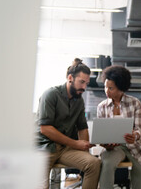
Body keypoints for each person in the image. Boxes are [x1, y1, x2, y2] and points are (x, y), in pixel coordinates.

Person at [36, 58, 101, 189]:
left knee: (93, 163)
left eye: (86, 83)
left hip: (66, 149)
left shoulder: (79, 101)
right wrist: (76, 143)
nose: (84, 87)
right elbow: (45, 129)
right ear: (70, 78)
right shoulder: (50, 95)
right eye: (81, 82)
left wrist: (85, 149)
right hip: (44, 148)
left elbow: (82, 128)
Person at [97, 65, 141, 189]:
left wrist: (135, 135)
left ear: (121, 88)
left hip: (133, 145)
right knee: (107, 164)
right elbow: (102, 132)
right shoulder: (101, 106)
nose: (106, 91)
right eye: (105, 86)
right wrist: (104, 143)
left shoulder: (134, 103)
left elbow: (139, 130)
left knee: (140, 167)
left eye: (111, 88)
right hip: (113, 148)